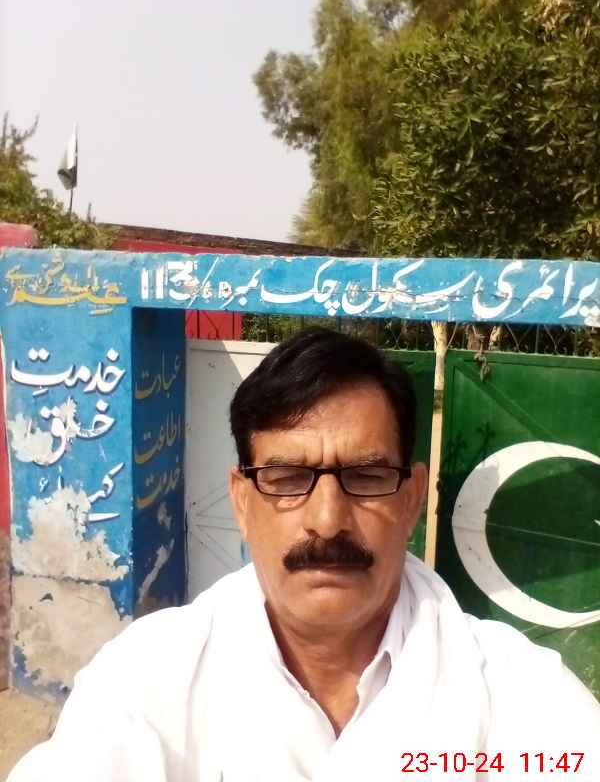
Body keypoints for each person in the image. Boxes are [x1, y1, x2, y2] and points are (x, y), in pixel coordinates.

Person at [8, 327, 600, 781]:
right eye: (288, 478)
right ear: (243, 501)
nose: (327, 519)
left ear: (412, 497)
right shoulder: (150, 678)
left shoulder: (517, 695)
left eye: (365, 476)